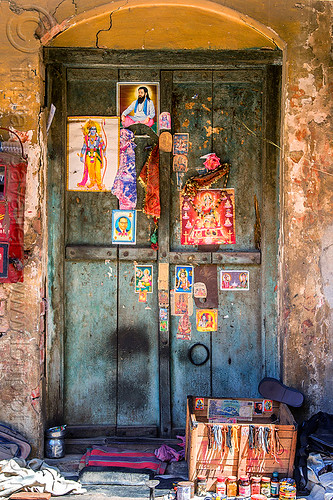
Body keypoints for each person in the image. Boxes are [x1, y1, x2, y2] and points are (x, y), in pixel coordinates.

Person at [78, 120, 106, 190]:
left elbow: (103, 145)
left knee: (97, 169)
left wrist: (104, 150)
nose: (93, 130)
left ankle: (99, 183)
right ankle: (92, 182)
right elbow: (84, 147)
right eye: (92, 129)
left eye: (94, 129)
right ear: (89, 130)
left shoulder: (99, 137)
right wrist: (81, 156)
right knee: (90, 170)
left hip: (97, 154)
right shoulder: (86, 138)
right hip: (89, 154)